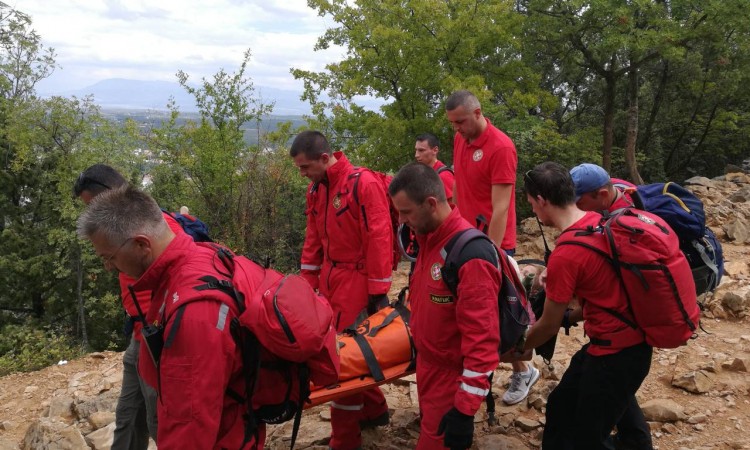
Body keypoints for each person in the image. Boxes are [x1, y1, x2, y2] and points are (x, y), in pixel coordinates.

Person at [77, 186, 260, 449]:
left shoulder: (192, 312)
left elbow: (189, 427)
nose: (108, 267)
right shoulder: (201, 256)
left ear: (142, 244)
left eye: (109, 258)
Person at [509, 162, 653, 449]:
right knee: (562, 406)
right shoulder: (596, 221)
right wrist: (570, 316)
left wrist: (514, 348)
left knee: (584, 438)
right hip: (623, 345)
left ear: (542, 200)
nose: (534, 212)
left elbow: (547, 325)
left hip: (616, 353)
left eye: (531, 205)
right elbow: (601, 298)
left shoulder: (568, 252)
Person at [290, 130, 392, 450]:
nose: (303, 174)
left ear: (324, 158)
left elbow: (379, 237)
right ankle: (375, 411)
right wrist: (307, 284)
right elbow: (312, 240)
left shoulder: (362, 185)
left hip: (358, 280)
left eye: (305, 167)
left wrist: (378, 291)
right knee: (352, 351)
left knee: (342, 365)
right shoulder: (316, 191)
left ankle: (344, 440)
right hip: (331, 280)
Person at [389, 162, 501, 450]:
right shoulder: (429, 240)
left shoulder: (470, 255)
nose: (402, 221)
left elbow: (482, 343)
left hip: (450, 378)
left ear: (430, 203)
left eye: (406, 212)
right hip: (429, 367)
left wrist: (464, 410)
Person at [73, 164, 179, 450]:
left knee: (158, 418)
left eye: (91, 205)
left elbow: (174, 284)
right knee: (128, 416)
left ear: (108, 196)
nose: (91, 214)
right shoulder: (122, 230)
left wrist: (153, 333)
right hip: (138, 333)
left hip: (156, 335)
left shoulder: (153, 228)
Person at [445, 89, 538, 405]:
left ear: (477, 112)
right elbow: (458, 183)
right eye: (453, 124)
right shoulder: (462, 139)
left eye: (460, 122)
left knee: (499, 316)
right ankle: (471, 372)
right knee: (465, 311)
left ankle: (523, 370)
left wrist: (493, 254)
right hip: (464, 237)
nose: (456, 129)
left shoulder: (501, 147)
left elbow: (501, 207)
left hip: (492, 245)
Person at [569, 162, 653, 449]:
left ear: (602, 194)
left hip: (621, 336)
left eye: (579, 201)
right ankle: (637, 441)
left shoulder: (621, 228)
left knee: (592, 425)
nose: (576, 208)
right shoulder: (625, 201)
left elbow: (615, 293)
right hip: (626, 335)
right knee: (619, 390)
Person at [570, 163, 634, 213]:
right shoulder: (608, 183)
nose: (574, 206)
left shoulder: (625, 219)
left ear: (603, 194)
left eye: (579, 203)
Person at [414, 133, 454, 203]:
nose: (416, 155)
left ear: (435, 150)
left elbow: (453, 208)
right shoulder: (422, 173)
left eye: (421, 150)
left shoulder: (444, 176)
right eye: (416, 150)